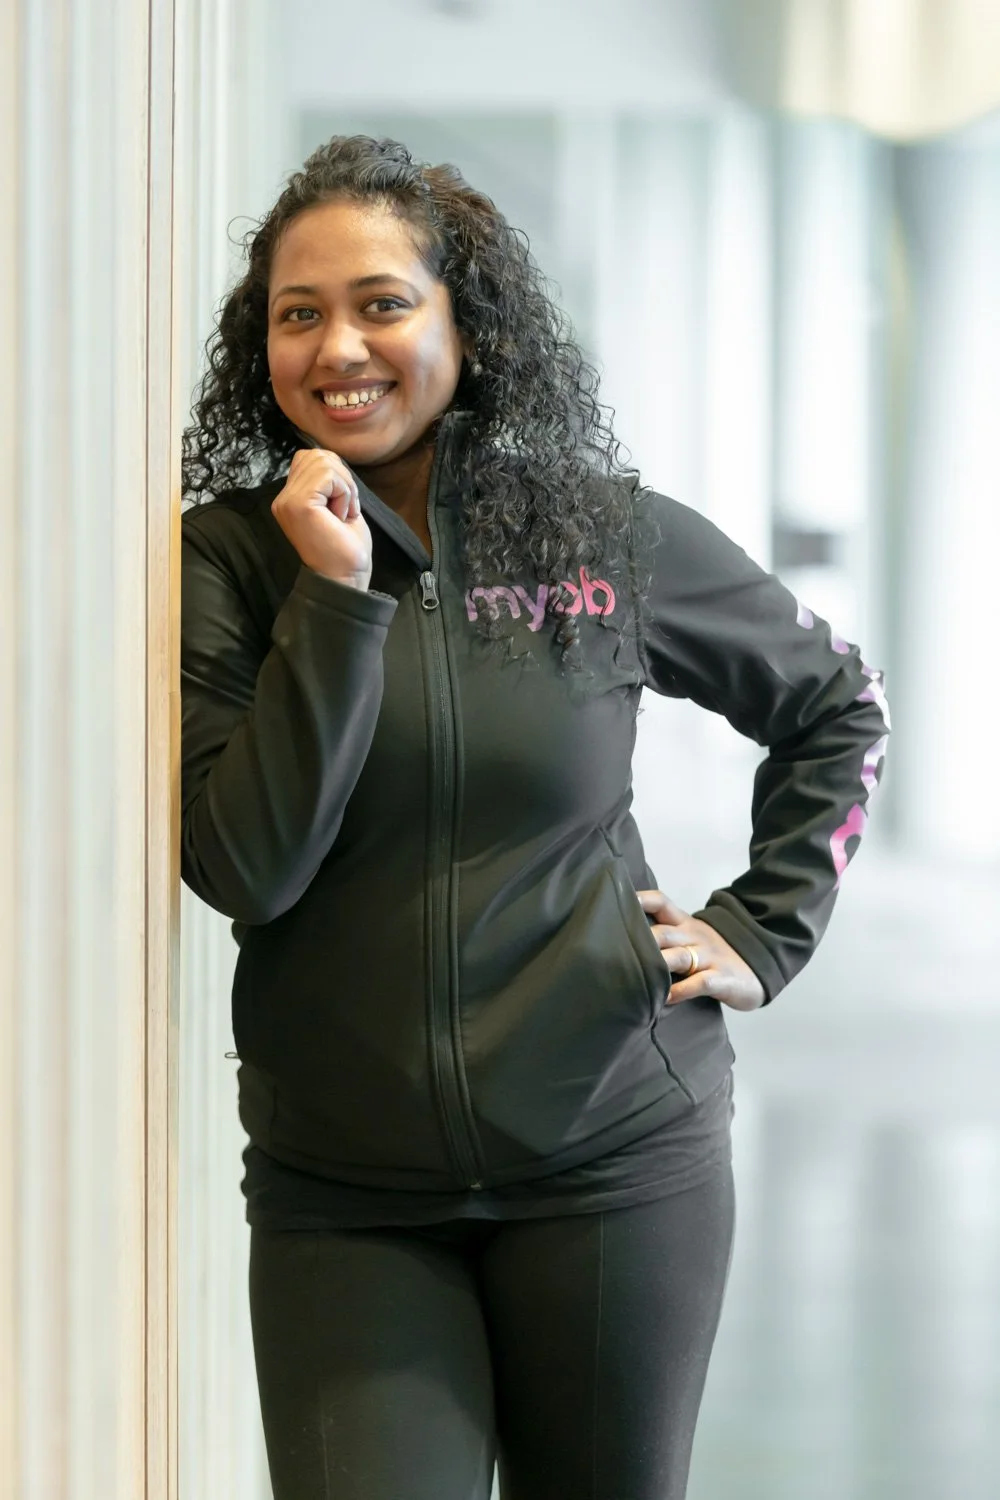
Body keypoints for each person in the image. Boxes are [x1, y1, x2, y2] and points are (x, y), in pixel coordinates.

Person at [180, 135, 890, 1500]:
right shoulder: (231, 559)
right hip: (348, 1195)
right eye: (298, 312)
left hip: (616, 1158)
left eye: (383, 302)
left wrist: (766, 927)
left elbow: (839, 707)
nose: (340, 347)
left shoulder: (596, 539)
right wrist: (335, 602)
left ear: (465, 323)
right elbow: (248, 868)